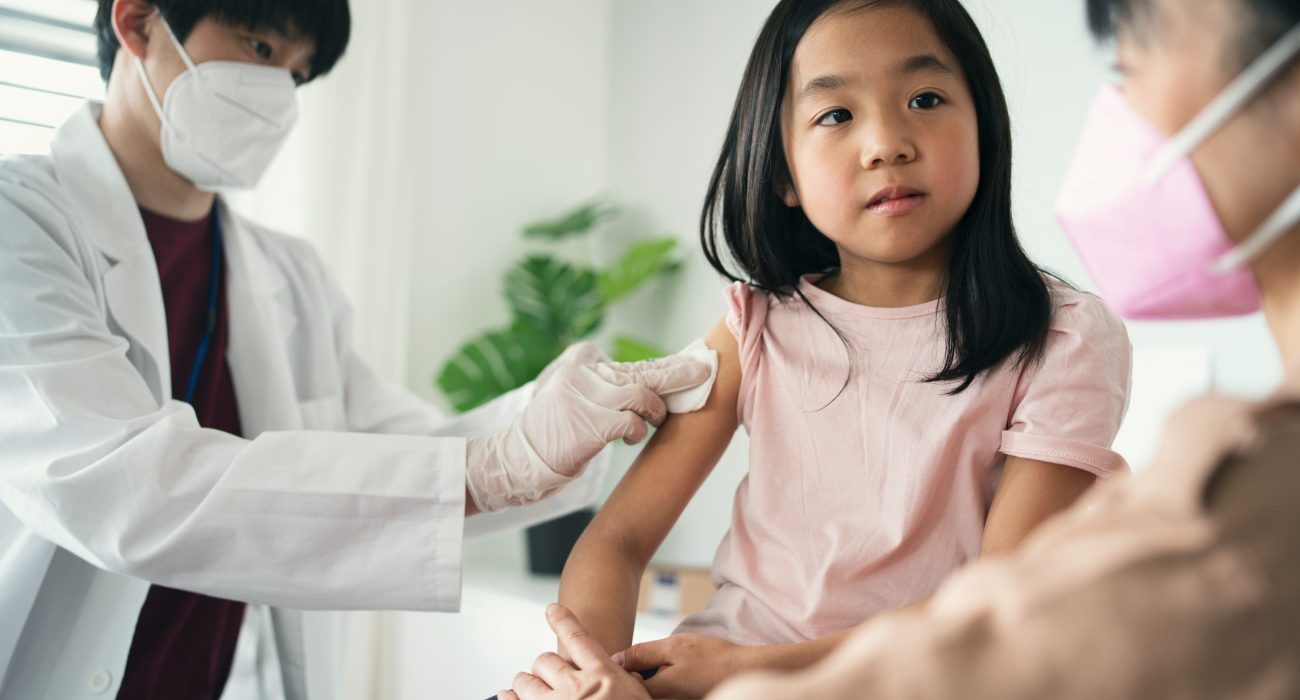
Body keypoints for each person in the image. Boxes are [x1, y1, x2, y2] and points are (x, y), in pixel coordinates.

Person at [502, 0, 1300, 697]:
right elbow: (618, 540)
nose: (886, 141)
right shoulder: (758, 325)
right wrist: (590, 673)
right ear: (782, 172)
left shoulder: (1062, 336)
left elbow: (998, 607)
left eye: (924, 98)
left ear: (983, 123)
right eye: (835, 115)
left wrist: (750, 672)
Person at [0, 0, 711, 697]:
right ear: (137, 22)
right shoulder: (21, 224)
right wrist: (489, 466)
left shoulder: (287, 275)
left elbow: (402, 448)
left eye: (300, 73)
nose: (279, 91)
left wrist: (547, 429)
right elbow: (128, 484)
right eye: (258, 48)